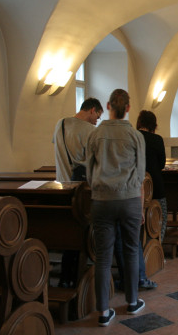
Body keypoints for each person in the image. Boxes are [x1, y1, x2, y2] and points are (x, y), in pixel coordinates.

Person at [86, 89, 146, 327]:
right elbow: (140, 173)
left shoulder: (96, 134)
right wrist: (136, 199)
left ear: (108, 105)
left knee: (103, 256)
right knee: (131, 250)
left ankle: (103, 311)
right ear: (128, 108)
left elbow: (89, 170)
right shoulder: (135, 135)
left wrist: (99, 187)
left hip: (102, 200)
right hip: (129, 198)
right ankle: (132, 302)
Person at [52, 97, 103, 288]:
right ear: (92, 110)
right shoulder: (91, 131)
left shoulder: (60, 124)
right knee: (81, 234)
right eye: (97, 115)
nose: (97, 120)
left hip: (61, 186)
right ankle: (77, 278)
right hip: (82, 190)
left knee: (69, 233)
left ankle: (66, 277)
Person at [114, 110, 166, 292]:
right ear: (154, 124)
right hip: (154, 186)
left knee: (130, 233)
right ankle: (157, 252)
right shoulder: (156, 139)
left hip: (131, 189)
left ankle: (134, 271)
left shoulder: (131, 137)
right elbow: (161, 164)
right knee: (159, 219)